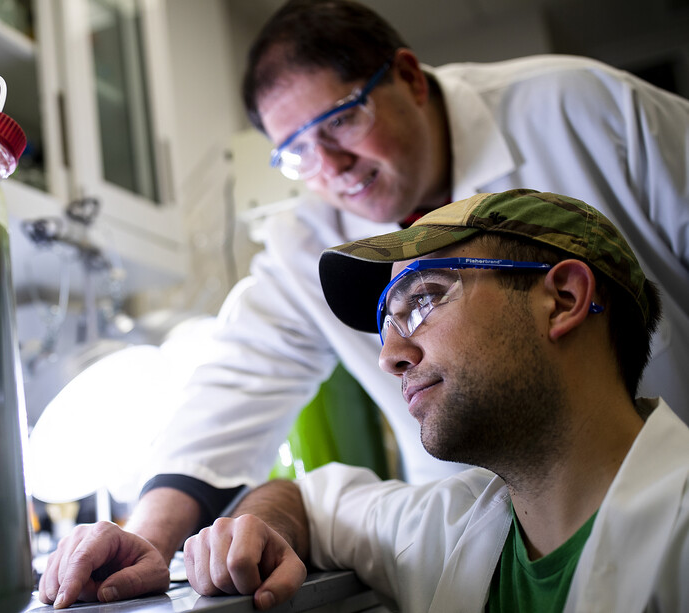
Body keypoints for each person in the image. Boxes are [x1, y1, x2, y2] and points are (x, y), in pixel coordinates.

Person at [38, 0, 689, 606]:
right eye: (297, 154)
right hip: (498, 529)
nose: (332, 167)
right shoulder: (443, 528)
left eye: (343, 118)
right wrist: (151, 537)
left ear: (408, 76)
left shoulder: (585, 110)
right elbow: (234, 388)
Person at [181, 189, 689, 611]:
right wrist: (263, 529)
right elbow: (305, 501)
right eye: (387, 322)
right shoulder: (452, 527)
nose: (390, 357)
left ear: (563, 300)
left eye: (424, 299)